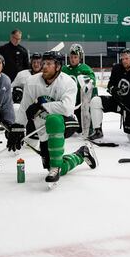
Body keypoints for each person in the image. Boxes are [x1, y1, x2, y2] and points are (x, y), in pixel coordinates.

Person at [15, 51, 97, 188]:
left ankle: (55, 168)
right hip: (42, 125)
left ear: (58, 66)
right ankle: (81, 154)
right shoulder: (32, 82)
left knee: (53, 119)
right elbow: (24, 107)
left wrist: (41, 105)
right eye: (43, 63)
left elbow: (67, 108)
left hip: (67, 121)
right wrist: (17, 127)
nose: (44, 67)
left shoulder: (68, 82)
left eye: (49, 64)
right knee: (53, 164)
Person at [89, 48, 130, 143]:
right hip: (117, 102)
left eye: (126, 58)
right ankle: (98, 131)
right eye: (122, 58)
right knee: (95, 101)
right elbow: (110, 85)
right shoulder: (117, 68)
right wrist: (114, 90)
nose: (124, 61)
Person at [61, 44, 98, 136]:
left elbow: (92, 80)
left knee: (80, 129)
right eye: (71, 57)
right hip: (67, 103)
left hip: (80, 104)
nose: (73, 59)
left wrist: (89, 82)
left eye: (75, 57)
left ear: (80, 58)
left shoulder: (84, 68)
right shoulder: (64, 69)